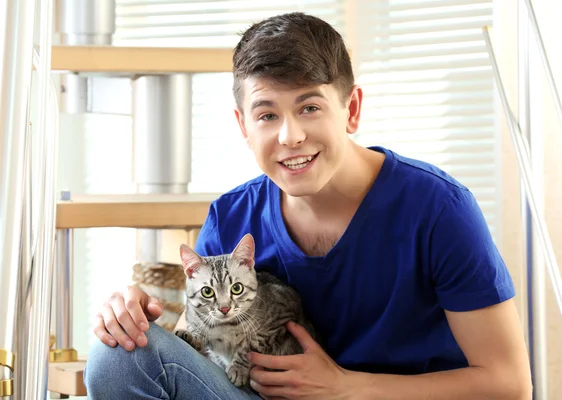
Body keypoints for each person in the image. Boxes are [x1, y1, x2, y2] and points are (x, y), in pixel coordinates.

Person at [84, 11, 532, 400]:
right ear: (244, 125)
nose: (289, 136)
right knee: (117, 358)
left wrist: (348, 388)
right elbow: (198, 346)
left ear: (351, 109)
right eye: (267, 115)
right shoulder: (231, 218)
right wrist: (131, 317)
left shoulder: (438, 208)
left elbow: (509, 385)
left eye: (310, 108)